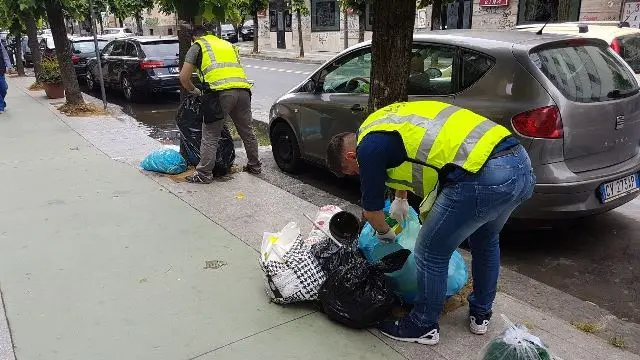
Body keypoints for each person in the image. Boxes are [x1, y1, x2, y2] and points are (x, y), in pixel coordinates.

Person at [326, 100, 535, 345]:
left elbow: (372, 214)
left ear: (352, 155)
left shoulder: (367, 149)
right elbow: (409, 154)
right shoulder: (382, 122)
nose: (357, 175)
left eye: (352, 170)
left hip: (483, 174)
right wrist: (401, 197)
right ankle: (481, 314)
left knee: (430, 252)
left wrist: (385, 235)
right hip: (518, 163)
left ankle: (422, 325)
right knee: (485, 239)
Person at [179, 25, 261, 184]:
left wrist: (195, 91)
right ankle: (255, 166)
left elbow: (183, 77)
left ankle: (204, 174)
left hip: (219, 94)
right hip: (243, 90)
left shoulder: (198, 46)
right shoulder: (227, 45)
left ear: (194, 37)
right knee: (247, 131)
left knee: (210, 134)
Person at [0, 39, 14, 114]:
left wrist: (9, 67)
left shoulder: (0, 46)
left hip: (1, 70)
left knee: (3, 88)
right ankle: (1, 106)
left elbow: (5, 57)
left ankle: (2, 102)